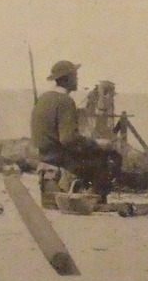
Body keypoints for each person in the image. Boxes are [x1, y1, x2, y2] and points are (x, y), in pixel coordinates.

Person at [30, 60, 124, 202]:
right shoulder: (65, 101)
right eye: (75, 76)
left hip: (45, 156)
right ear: (67, 79)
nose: (77, 79)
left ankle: (86, 192)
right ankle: (92, 199)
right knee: (112, 156)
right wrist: (98, 144)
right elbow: (69, 140)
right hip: (61, 159)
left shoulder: (43, 99)